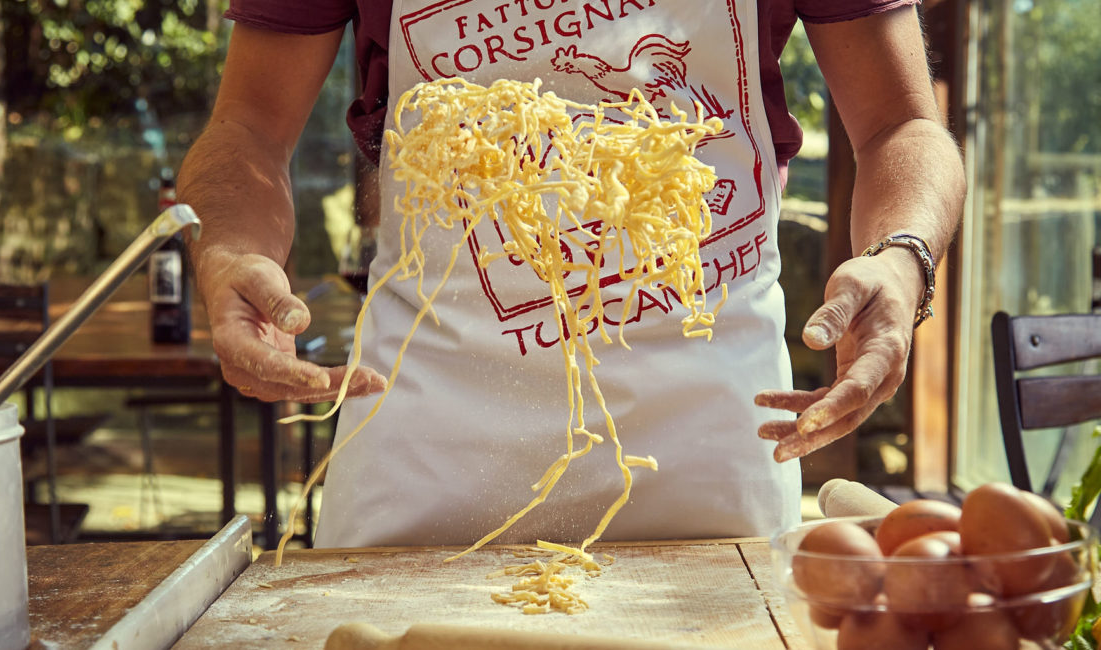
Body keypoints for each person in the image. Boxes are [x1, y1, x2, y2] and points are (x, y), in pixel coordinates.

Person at [180, 0, 965, 547]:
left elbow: (900, 123)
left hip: (704, 439)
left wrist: (903, 257)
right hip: (429, 443)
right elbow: (247, 128)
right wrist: (231, 252)